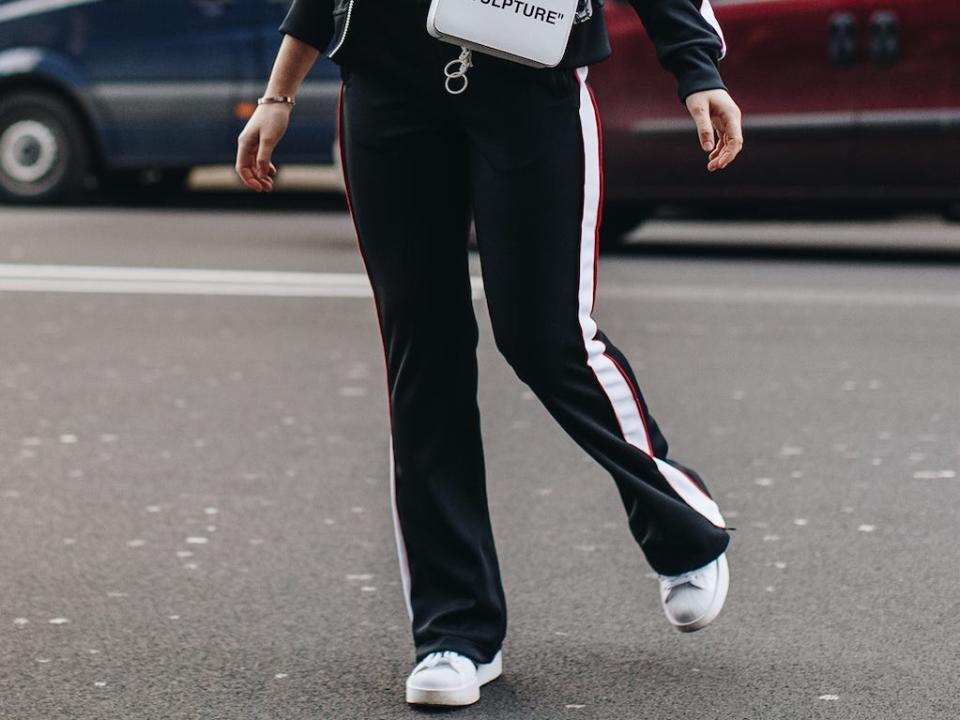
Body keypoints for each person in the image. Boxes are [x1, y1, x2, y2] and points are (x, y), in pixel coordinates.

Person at [236, 0, 743, 708]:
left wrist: (696, 69)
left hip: (530, 85)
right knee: (422, 349)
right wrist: (279, 93)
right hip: (386, 89)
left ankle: (683, 525)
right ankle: (457, 632)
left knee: (546, 337)